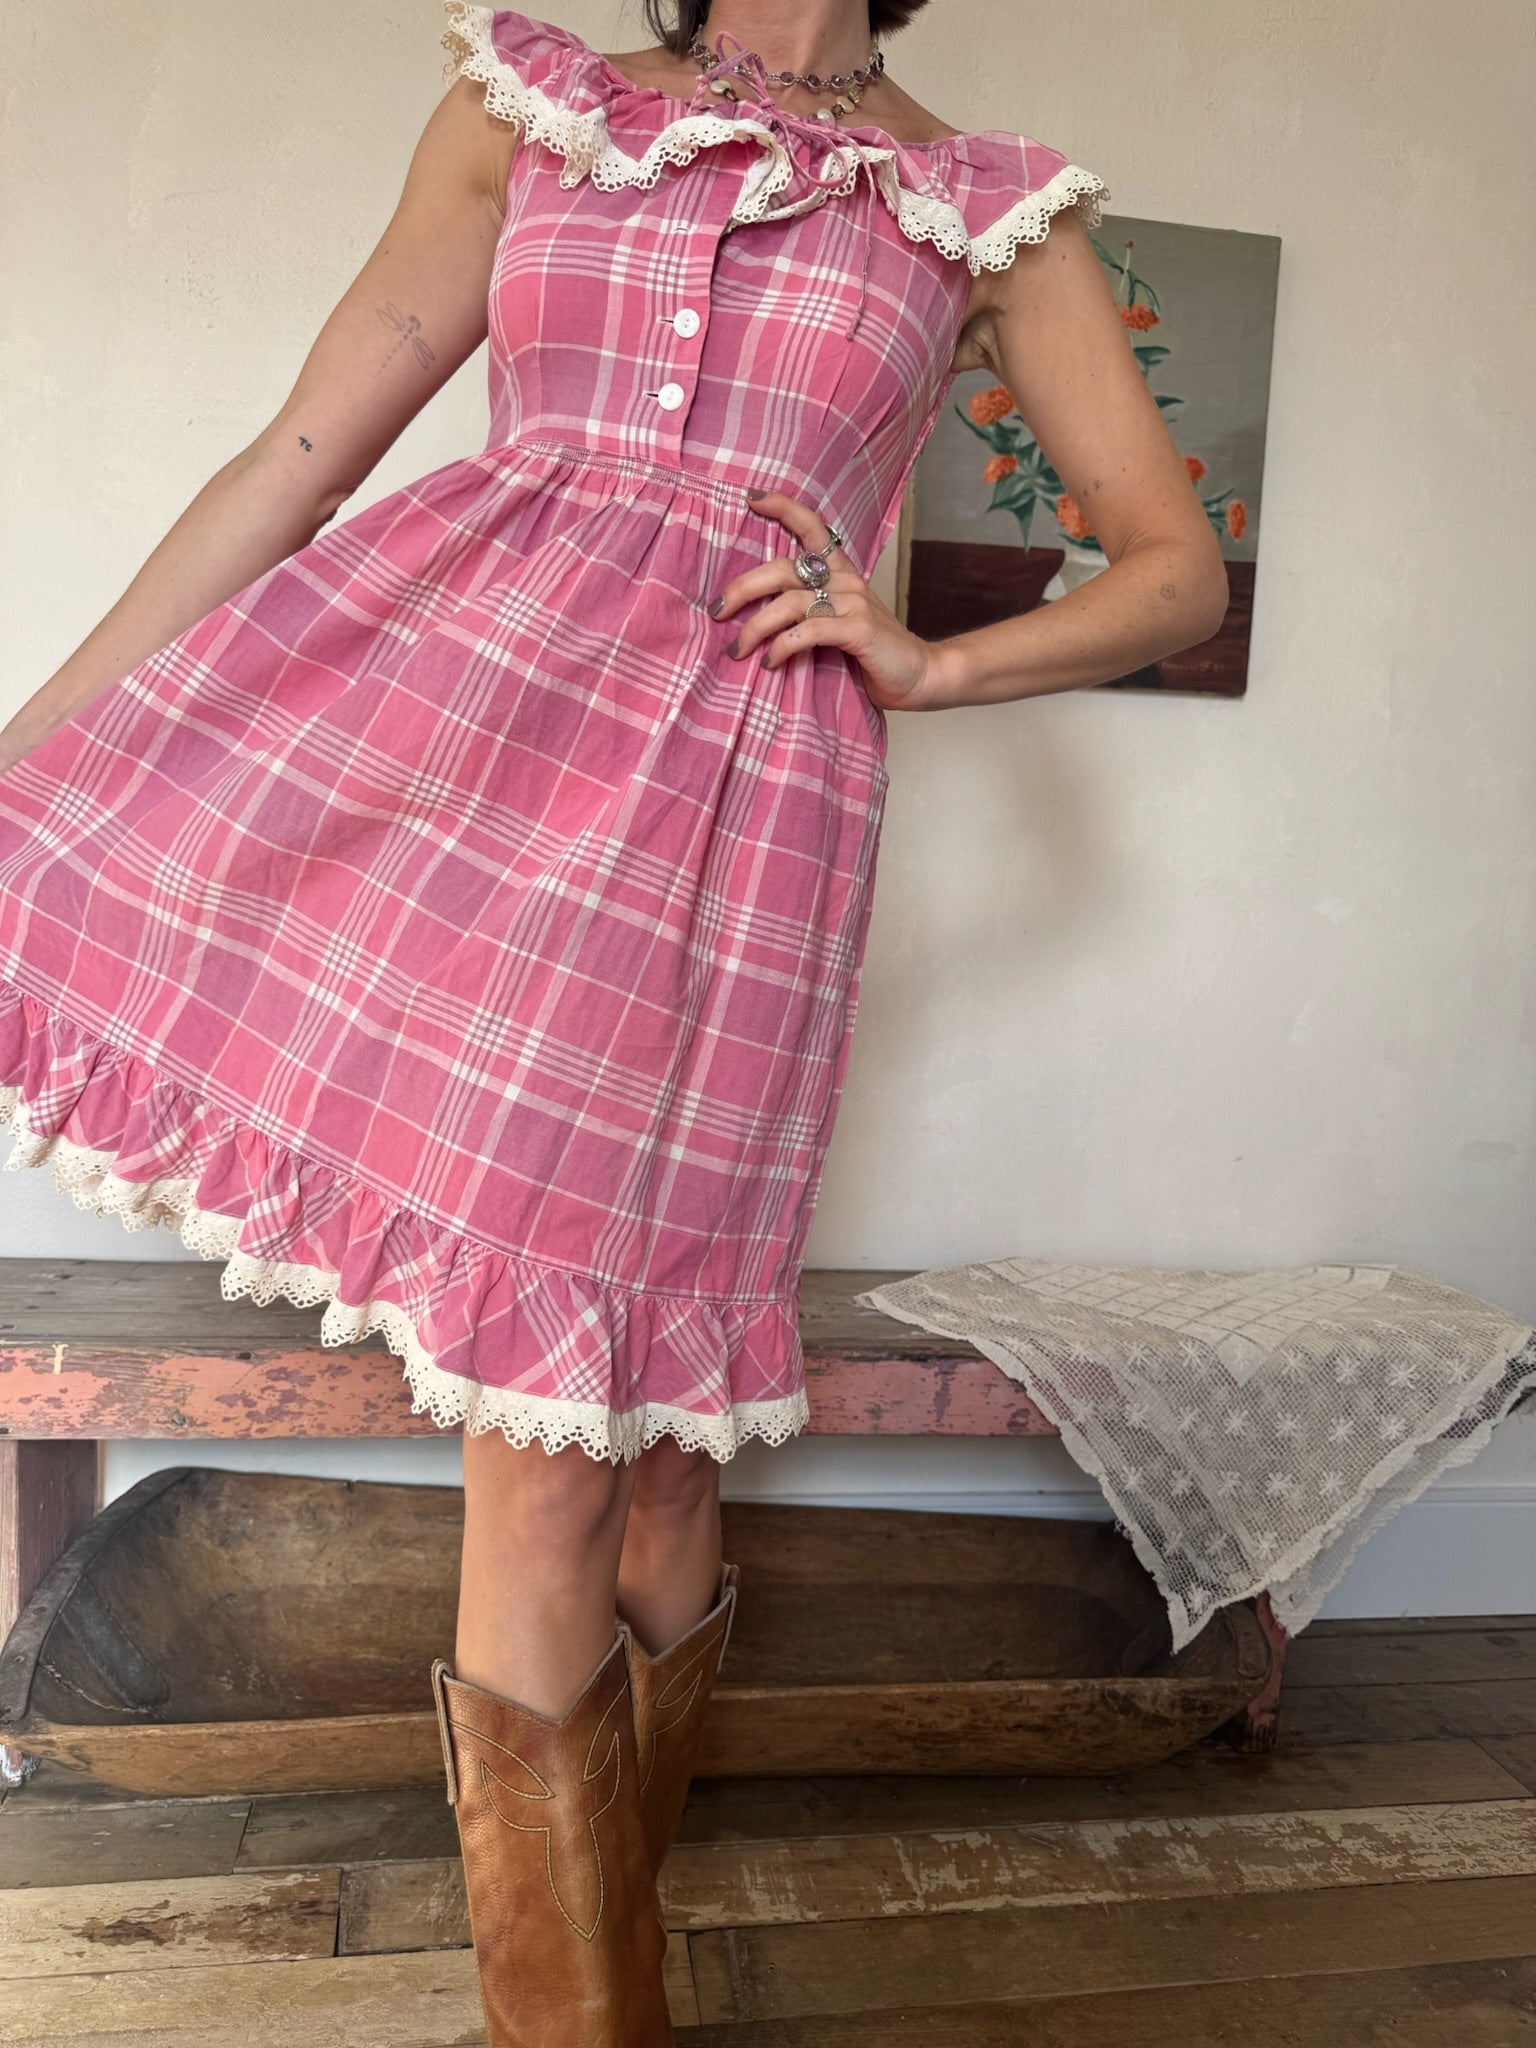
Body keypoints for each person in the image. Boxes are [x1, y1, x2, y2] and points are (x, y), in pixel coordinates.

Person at [0, 1, 1227, 2039]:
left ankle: (603, 1931)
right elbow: (295, 462)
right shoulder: (532, 107)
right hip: (454, 759)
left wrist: (927, 666)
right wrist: (32, 755)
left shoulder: (986, 211)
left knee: (651, 1461)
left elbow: (1177, 570)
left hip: (736, 832)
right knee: (558, 1459)